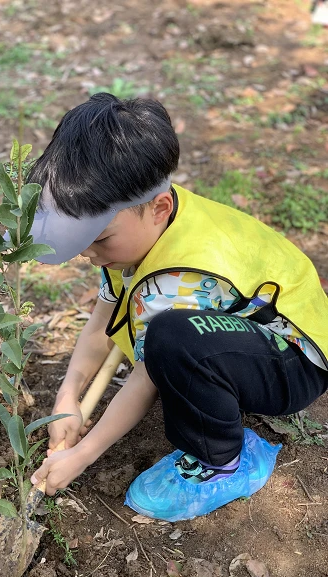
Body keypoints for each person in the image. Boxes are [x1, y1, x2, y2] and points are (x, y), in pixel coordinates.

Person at [28, 93, 328, 522]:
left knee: (173, 339)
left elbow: (147, 378)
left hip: (295, 359)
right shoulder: (139, 222)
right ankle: (218, 390)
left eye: (100, 240)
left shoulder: (181, 279)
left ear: (160, 208)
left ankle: (225, 463)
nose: (89, 255)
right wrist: (67, 397)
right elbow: (101, 322)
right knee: (174, 338)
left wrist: (83, 455)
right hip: (241, 334)